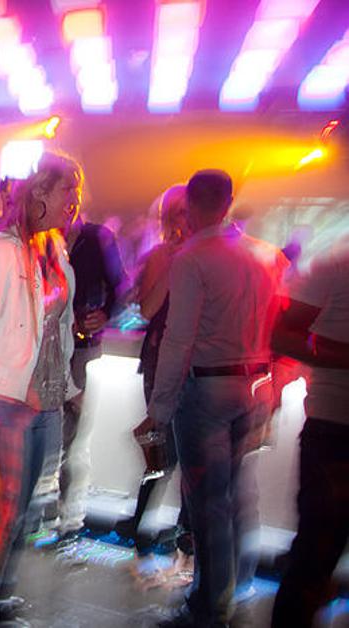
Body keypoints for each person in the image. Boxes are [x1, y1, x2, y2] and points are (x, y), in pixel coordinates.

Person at [145, 170, 288, 628]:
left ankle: (210, 607)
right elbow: (283, 326)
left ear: (190, 204)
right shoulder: (266, 255)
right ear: (228, 203)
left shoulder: (192, 258)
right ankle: (238, 585)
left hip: (206, 388)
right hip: (255, 384)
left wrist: (159, 408)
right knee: (240, 494)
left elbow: (178, 339)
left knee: (209, 504)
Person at [0, 151, 80, 622]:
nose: (75, 201)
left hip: (46, 401)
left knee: (24, 514)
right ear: (39, 191)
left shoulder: (52, 250)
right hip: (6, 404)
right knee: (1, 517)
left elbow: (56, 328)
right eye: (68, 189)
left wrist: (66, 384)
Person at [270, 237, 349, 628]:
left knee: (316, 561)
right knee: (314, 560)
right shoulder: (336, 263)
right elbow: (282, 334)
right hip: (335, 431)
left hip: (333, 434)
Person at [118, 185, 194, 582]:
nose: (186, 220)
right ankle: (140, 529)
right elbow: (145, 309)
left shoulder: (206, 254)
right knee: (162, 454)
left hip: (194, 362)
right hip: (160, 358)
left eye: (189, 212)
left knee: (190, 457)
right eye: (179, 212)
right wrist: (175, 264)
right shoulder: (162, 255)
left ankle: (184, 544)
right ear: (169, 217)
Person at [56, 193, 127, 541]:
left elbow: (121, 286)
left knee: (75, 438)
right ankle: (47, 516)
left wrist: (106, 314)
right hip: (48, 349)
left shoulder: (98, 238)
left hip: (83, 348)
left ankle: (69, 518)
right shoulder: (43, 239)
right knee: (49, 433)